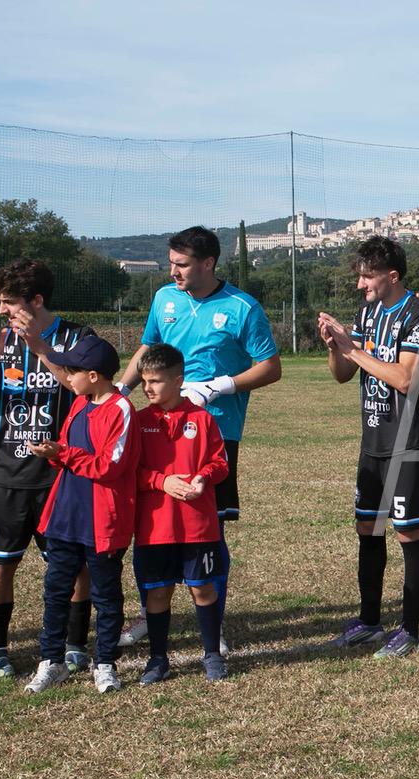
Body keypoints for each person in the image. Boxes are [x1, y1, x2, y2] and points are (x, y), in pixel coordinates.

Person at [118, 226, 281, 653]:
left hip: (214, 433)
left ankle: (214, 621)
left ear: (208, 263)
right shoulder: (164, 299)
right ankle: (148, 614)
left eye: (182, 264)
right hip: (159, 430)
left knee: (208, 530)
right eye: (171, 263)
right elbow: (147, 349)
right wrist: (121, 391)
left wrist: (219, 385)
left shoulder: (243, 307)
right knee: (154, 524)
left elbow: (270, 367)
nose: (173, 271)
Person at [0, 259, 95, 680]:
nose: (2, 310)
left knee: (74, 565)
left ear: (35, 300)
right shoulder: (2, 338)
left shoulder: (78, 338)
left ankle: (74, 644)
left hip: (62, 474)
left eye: (9, 302)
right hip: (7, 474)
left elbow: (81, 389)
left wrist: (39, 347)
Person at [318, 237, 419, 658]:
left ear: (393, 276)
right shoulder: (367, 313)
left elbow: (405, 379)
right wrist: (336, 348)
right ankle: (369, 621)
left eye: (367, 276)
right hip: (374, 439)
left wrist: (352, 348)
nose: (360, 284)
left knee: (408, 531)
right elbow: (342, 374)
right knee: (367, 529)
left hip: (408, 442)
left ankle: (410, 629)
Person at [23, 336, 139, 694]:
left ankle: (104, 664)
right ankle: (51, 662)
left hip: (103, 522)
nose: (66, 376)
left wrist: (63, 454)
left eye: (71, 371)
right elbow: (68, 449)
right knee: (56, 591)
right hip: (65, 516)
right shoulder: (78, 404)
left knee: (106, 596)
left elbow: (109, 466)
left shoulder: (121, 409)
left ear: (93, 375)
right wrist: (53, 452)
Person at [132, 344, 230, 683]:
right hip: (155, 527)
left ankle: (212, 654)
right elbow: (129, 471)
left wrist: (203, 477)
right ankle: (158, 659)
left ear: (178, 381)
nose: (147, 388)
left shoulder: (202, 419)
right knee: (158, 592)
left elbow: (220, 463)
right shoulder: (138, 422)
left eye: (155, 381)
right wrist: (161, 481)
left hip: (197, 526)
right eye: (144, 381)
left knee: (202, 589)